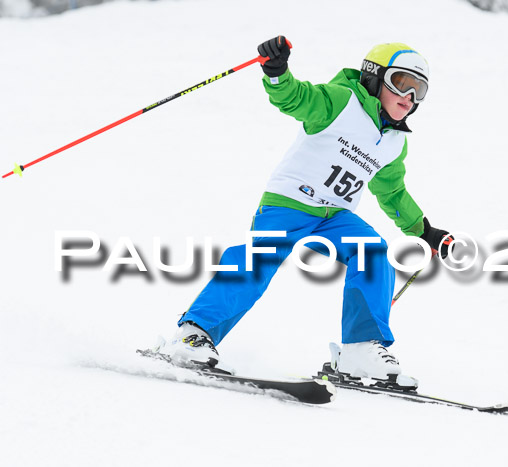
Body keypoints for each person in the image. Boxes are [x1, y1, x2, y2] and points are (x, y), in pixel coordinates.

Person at [157, 36, 452, 383]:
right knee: (259, 257)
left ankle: (359, 350)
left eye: (419, 90)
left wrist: (423, 231)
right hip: (290, 202)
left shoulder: (394, 142)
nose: (409, 98)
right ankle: (194, 334)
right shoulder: (341, 101)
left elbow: (392, 191)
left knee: (373, 252)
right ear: (374, 77)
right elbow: (296, 98)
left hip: (334, 216)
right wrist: (277, 72)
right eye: (401, 83)